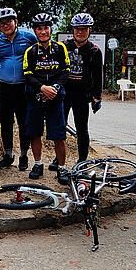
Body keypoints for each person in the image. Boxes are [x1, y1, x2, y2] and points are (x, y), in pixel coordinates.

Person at [48, 13, 103, 171]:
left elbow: (98, 75)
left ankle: (82, 160)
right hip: (64, 93)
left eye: (84, 29)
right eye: (77, 29)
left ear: (89, 30)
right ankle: (58, 158)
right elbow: (54, 69)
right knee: (60, 126)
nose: (80, 32)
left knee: (82, 128)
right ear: (72, 30)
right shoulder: (63, 46)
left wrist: (97, 96)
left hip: (82, 94)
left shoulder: (94, 50)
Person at [0, 8, 37, 171]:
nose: (6, 25)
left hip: (23, 87)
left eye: (9, 21)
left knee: (23, 123)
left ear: (16, 22)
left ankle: (23, 155)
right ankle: (8, 155)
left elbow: (39, 56)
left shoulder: (28, 37)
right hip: (4, 88)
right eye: (2, 23)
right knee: (6, 122)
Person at [23, 12, 71, 184]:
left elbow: (66, 71)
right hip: (36, 96)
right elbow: (27, 74)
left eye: (46, 28)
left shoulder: (60, 48)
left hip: (56, 97)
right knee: (35, 133)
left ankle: (62, 168)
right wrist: (42, 88)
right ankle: (37, 164)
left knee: (59, 135)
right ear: (35, 31)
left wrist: (55, 87)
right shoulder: (30, 51)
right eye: (39, 29)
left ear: (51, 29)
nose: (43, 32)